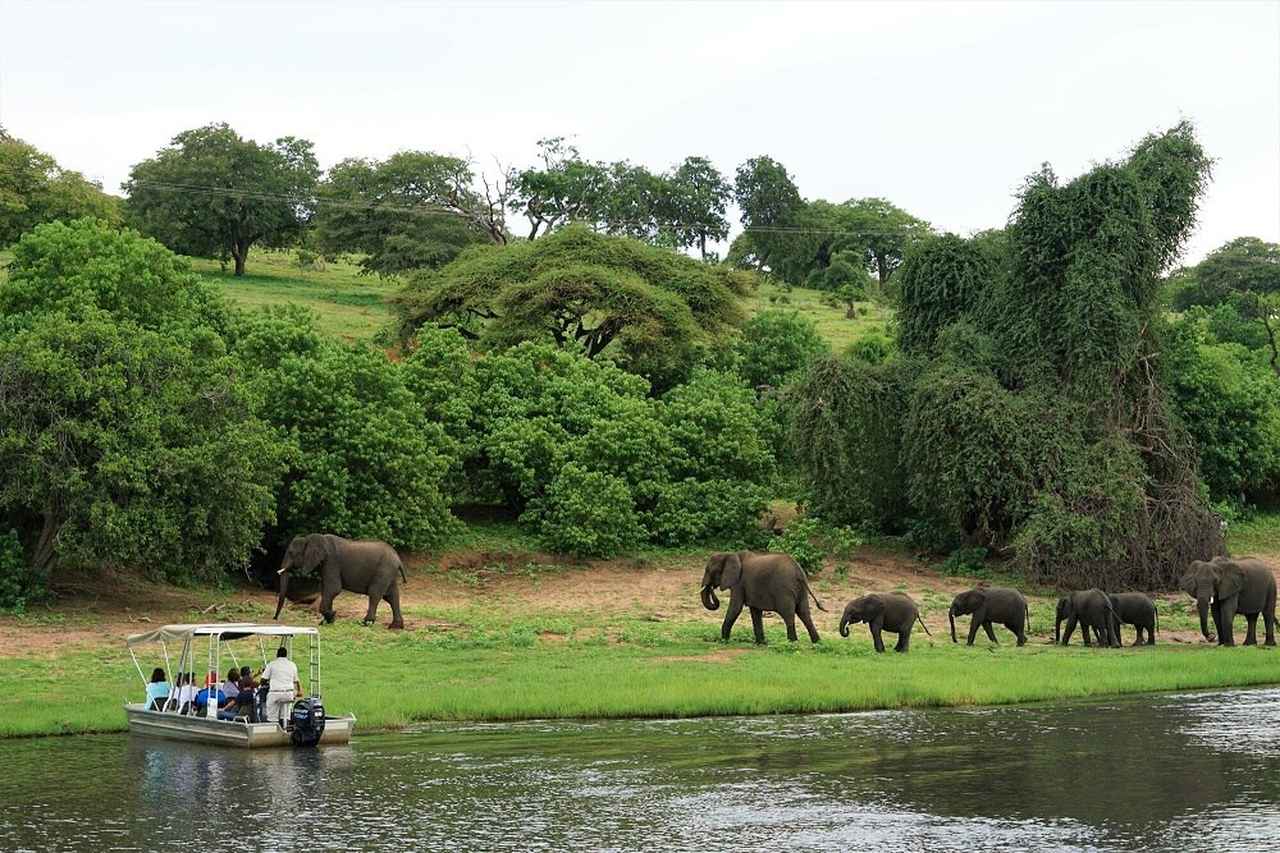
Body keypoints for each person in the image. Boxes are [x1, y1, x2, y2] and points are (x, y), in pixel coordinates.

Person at [260, 646, 301, 726]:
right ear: (286, 655)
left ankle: (273, 729)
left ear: (277, 655)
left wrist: (269, 681)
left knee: (272, 716)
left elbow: (263, 681)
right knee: (285, 715)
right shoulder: (292, 664)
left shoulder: (271, 664)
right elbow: (296, 680)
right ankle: (286, 728)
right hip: (289, 694)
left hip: (275, 693)